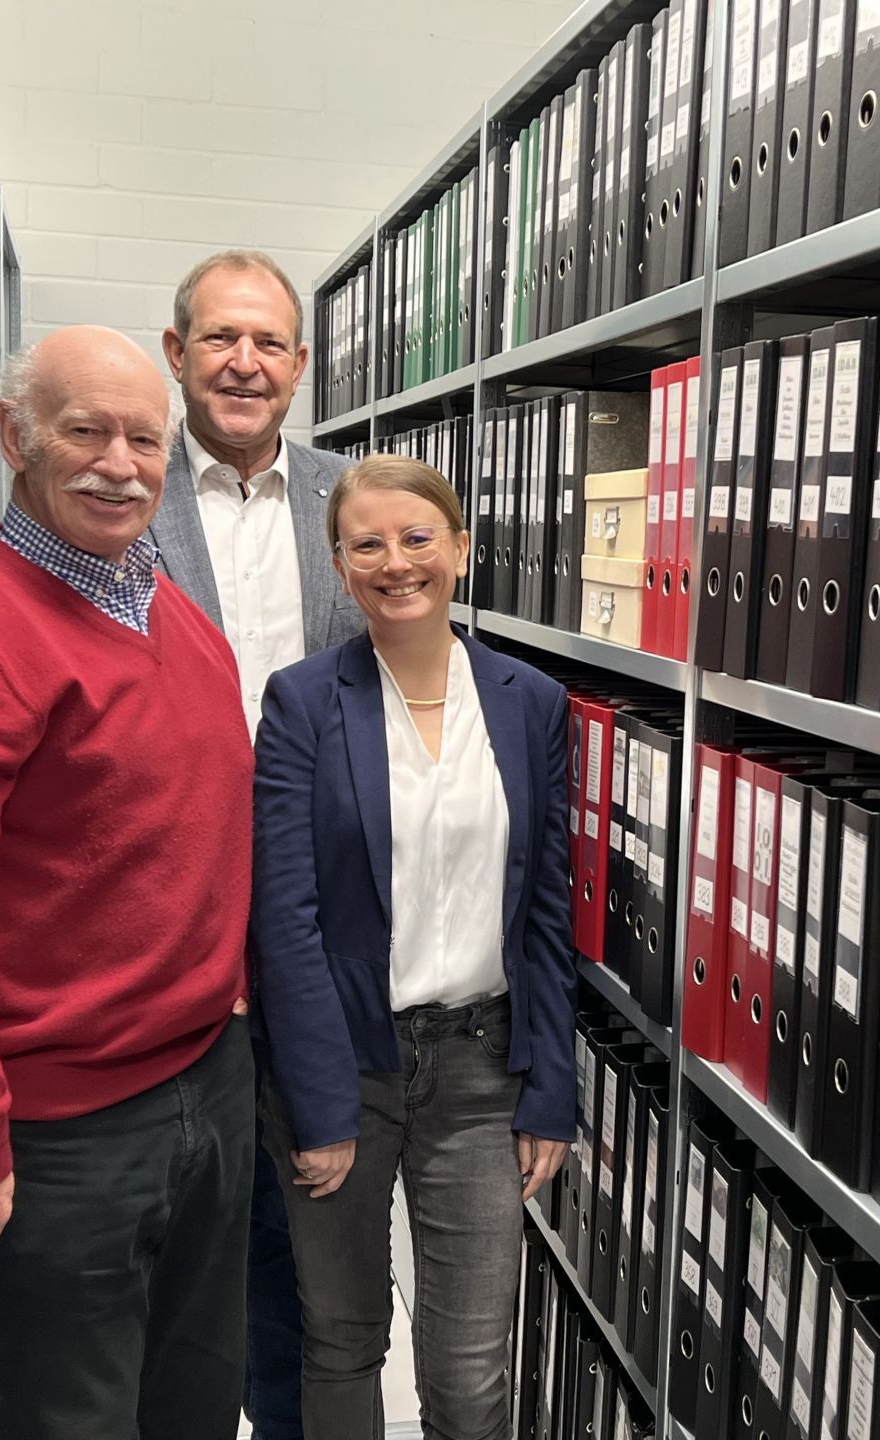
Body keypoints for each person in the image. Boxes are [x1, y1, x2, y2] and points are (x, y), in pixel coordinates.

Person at [0, 325, 255, 1440]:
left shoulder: (168, 605)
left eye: (145, 438)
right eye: (85, 432)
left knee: (194, 1406)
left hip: (207, 1084)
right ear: (16, 437)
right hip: (58, 1139)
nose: (121, 464)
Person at [252, 455, 577, 1440]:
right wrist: (315, 1105)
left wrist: (551, 1087)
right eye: (368, 544)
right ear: (341, 568)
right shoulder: (304, 701)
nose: (396, 562)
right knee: (343, 1340)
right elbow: (287, 920)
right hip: (345, 1067)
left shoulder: (529, 703)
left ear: (462, 549)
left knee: (472, 1367)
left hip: (485, 1068)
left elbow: (549, 909)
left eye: (418, 537)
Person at [148, 248, 365, 1440]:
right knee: (185, 1228)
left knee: (307, 1227)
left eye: (269, 344)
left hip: (316, 920)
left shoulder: (350, 504)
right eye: (220, 339)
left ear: (298, 366)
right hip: (170, 912)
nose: (245, 363)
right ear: (176, 355)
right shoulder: (126, 497)